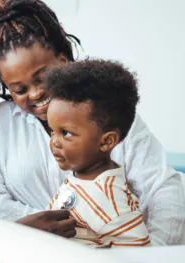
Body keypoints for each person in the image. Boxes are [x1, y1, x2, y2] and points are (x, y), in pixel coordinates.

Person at [0, 0, 185, 245]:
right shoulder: (0, 125)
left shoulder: (107, 113)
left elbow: (163, 189)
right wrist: (44, 225)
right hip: (37, 258)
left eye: (42, 78)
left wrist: (153, 256)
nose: (34, 94)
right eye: (19, 89)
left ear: (62, 62)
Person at [45, 59, 149, 247]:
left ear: (106, 141)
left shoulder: (110, 202)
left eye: (66, 133)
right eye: (52, 131)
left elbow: (140, 260)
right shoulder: (82, 177)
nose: (54, 142)